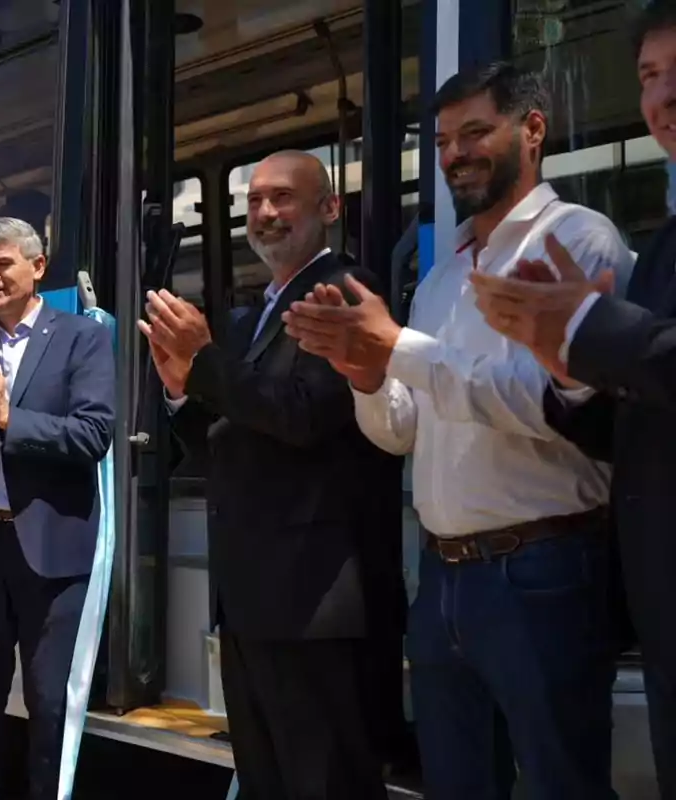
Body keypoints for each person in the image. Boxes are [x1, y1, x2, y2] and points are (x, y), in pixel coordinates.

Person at [282, 62, 635, 799]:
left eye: (475, 133)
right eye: (442, 142)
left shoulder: (577, 240)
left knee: (561, 784)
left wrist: (398, 349)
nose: (454, 156)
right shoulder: (444, 276)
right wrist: (367, 374)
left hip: (544, 568)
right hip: (443, 577)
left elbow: (546, 403)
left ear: (532, 130)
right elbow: (404, 433)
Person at [138, 150, 404, 799]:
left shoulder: (345, 292)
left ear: (330, 209)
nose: (265, 213)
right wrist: (181, 393)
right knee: (267, 780)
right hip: (260, 601)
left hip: (316, 603)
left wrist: (204, 365)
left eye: (283, 198)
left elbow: (305, 415)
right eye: (254, 201)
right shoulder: (265, 307)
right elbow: (236, 437)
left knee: (323, 780)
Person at [468, 5, 676, 795]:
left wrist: (590, 325)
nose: (663, 96)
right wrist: (570, 373)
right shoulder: (663, 248)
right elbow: (645, 425)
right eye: (649, 77)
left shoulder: (592, 237)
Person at [0, 217, 114, 799]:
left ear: (37, 268)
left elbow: (94, 434)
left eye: (2, 263)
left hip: (53, 553)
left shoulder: (81, 338)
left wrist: (12, 420)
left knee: (49, 701)